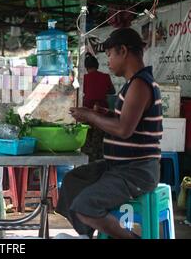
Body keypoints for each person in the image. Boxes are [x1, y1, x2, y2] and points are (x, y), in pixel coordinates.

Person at [56, 27, 162, 239]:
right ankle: (88, 233)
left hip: (136, 171)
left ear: (123, 51)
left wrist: (89, 115)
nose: (109, 61)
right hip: (119, 166)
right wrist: (104, 114)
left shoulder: (141, 84)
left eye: (110, 55)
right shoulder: (133, 83)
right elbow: (127, 122)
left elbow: (123, 129)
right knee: (72, 181)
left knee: (85, 206)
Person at [81, 53, 115, 162]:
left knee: (86, 141)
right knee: (99, 143)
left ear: (86, 67)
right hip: (102, 114)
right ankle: (98, 164)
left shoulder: (84, 78)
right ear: (97, 65)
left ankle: (87, 163)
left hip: (86, 113)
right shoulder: (105, 77)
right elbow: (112, 91)